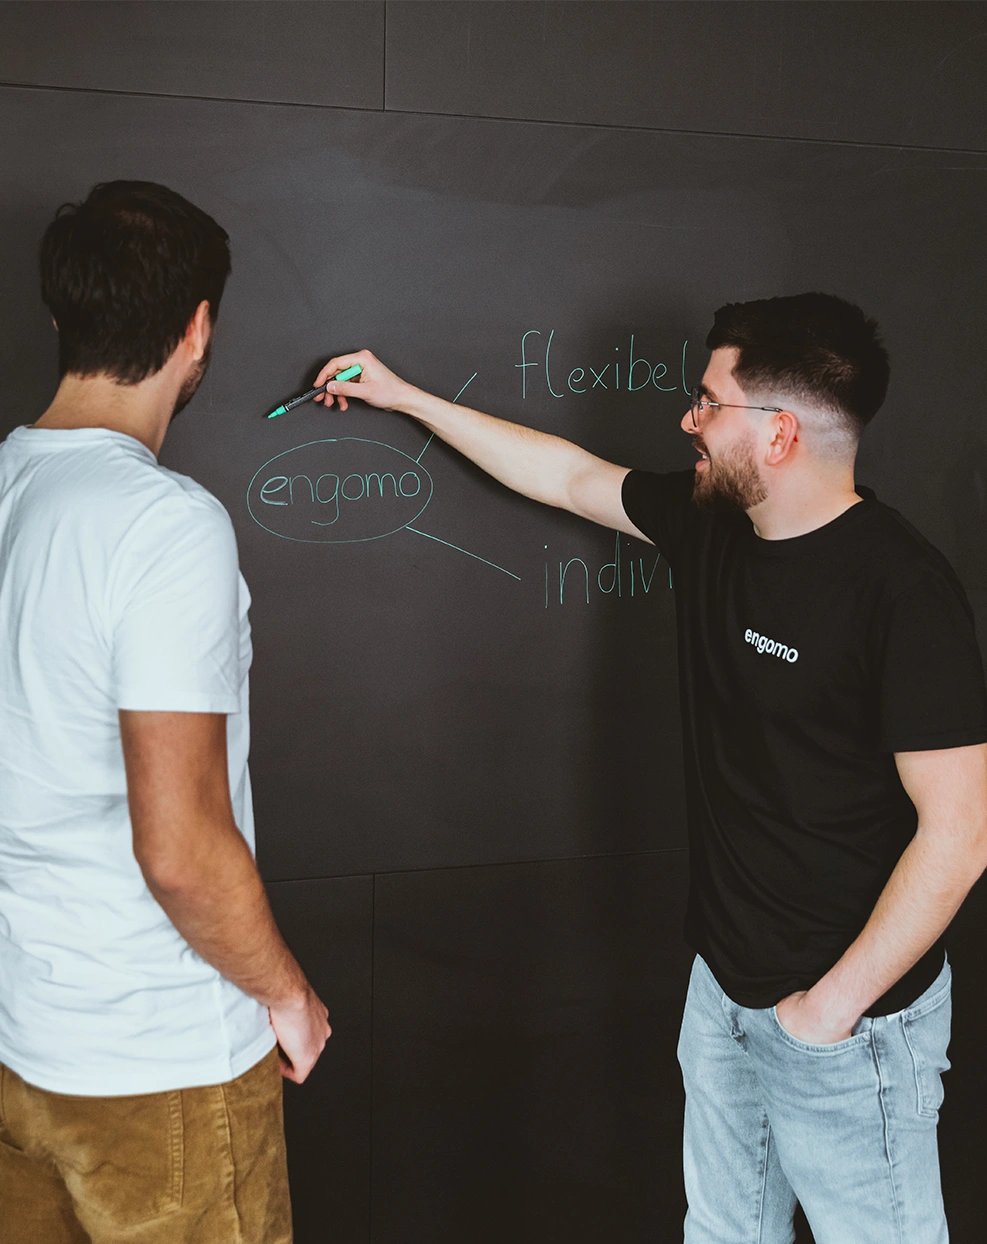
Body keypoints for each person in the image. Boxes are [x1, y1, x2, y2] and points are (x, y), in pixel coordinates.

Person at [314, 294, 987, 1243]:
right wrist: (407, 398)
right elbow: (566, 476)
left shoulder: (901, 593)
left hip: (852, 1026)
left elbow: (960, 834)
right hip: (724, 992)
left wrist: (824, 1013)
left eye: (709, 402)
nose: (688, 419)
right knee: (720, 1230)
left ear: (779, 432)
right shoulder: (709, 522)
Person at [0, 181, 330, 1244]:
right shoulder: (164, 524)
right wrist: (288, 992)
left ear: (63, 316)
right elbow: (181, 847)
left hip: (23, 1044)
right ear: (198, 329)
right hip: (162, 1071)